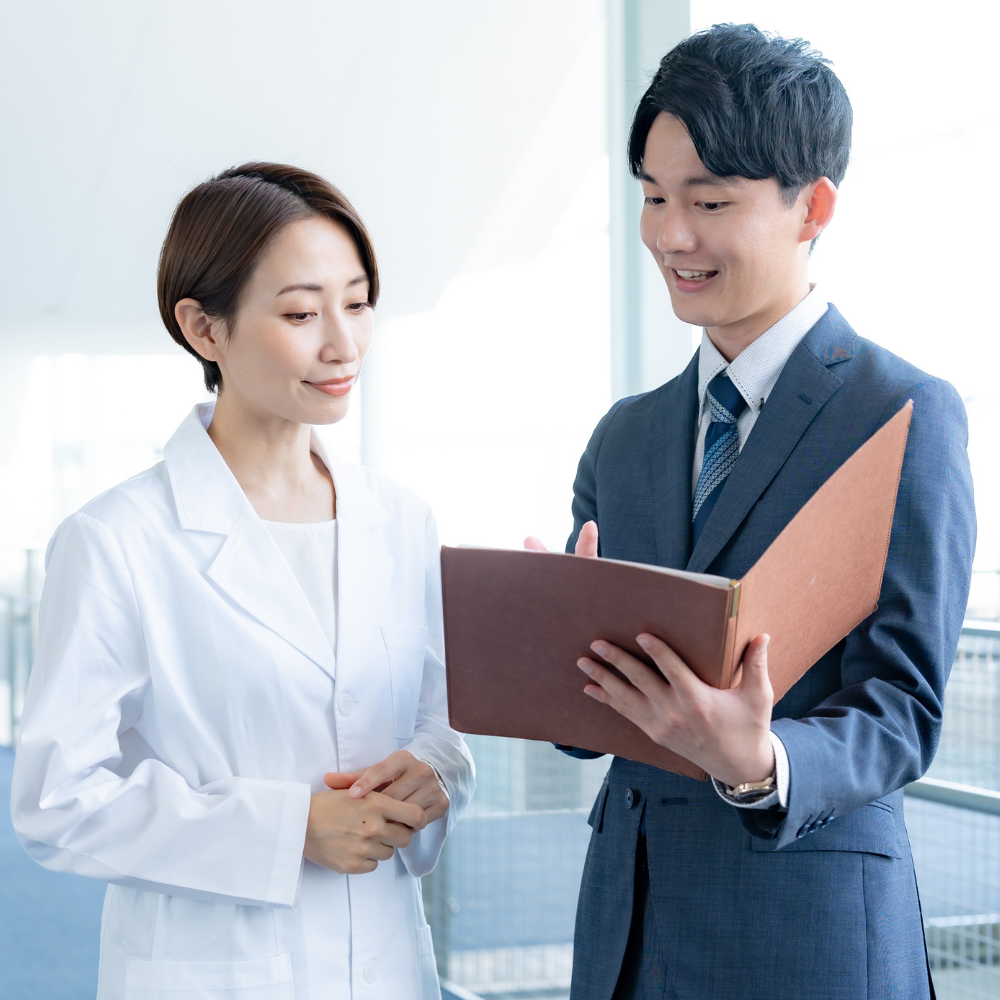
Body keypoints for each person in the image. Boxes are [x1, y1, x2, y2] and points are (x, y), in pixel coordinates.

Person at [528, 24, 975, 999]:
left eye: (709, 202)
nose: (669, 235)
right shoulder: (624, 436)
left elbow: (901, 707)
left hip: (805, 933)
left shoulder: (902, 413)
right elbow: (586, 723)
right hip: (630, 933)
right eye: (653, 196)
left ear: (812, 206)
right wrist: (547, 635)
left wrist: (759, 759)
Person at [11, 163, 474, 1000]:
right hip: (211, 970)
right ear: (204, 330)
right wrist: (287, 830)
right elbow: (56, 799)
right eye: (300, 313)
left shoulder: (402, 520)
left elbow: (439, 723)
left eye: (358, 303)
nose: (343, 344)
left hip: (385, 962)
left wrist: (437, 772)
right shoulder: (117, 541)